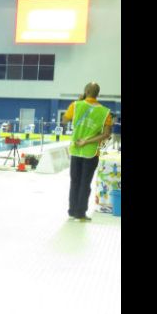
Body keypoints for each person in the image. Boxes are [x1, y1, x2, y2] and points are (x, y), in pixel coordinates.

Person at [61, 82, 112, 222]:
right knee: (85, 183)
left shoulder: (76, 105)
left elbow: (64, 120)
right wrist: (87, 141)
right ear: (98, 94)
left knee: (75, 181)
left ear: (85, 91)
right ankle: (80, 213)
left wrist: (79, 101)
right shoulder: (105, 112)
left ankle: (72, 212)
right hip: (91, 152)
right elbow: (106, 134)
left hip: (76, 150)